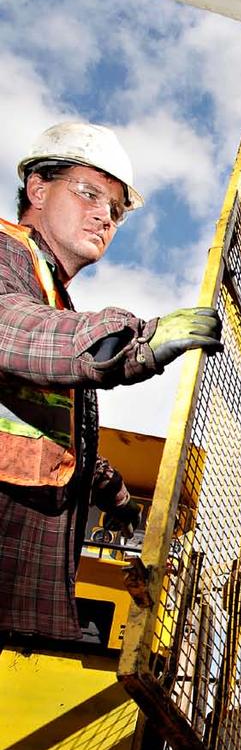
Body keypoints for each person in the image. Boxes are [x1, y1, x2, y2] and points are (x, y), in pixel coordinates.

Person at [0, 122, 223, 643]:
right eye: (88, 193)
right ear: (37, 188)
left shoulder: (52, 297)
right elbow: (12, 327)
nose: (105, 215)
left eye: (117, 210)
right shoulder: (6, 257)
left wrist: (120, 502)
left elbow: (58, 442)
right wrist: (137, 340)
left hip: (29, 587)